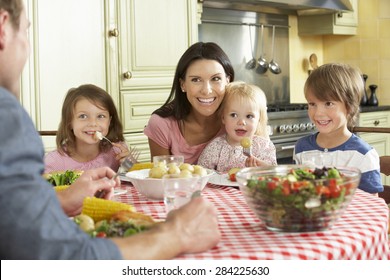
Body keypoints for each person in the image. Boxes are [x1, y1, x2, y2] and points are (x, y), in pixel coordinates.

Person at [0, 0, 220, 259]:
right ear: (3, 28)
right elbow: (59, 257)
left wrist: (59, 201)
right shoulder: (7, 117)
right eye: (25, 31)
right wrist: (177, 233)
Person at [294, 63, 383, 194]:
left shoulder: (363, 154)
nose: (318, 113)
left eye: (328, 103)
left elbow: (372, 202)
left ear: (350, 106)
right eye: (312, 104)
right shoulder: (302, 147)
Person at [144, 42, 235, 164]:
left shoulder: (242, 117)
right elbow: (160, 178)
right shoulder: (162, 124)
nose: (206, 90)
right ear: (183, 84)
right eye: (196, 80)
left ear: (227, 81)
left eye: (216, 79)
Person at [44, 84, 129, 173]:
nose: (93, 123)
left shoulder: (116, 152)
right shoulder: (54, 162)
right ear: (69, 122)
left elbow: (137, 177)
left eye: (100, 116)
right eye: (83, 116)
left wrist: (129, 164)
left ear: (109, 121)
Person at [198, 81, 277, 172]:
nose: (241, 122)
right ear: (223, 118)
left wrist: (262, 167)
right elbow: (201, 172)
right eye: (234, 115)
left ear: (258, 120)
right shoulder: (215, 147)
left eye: (249, 116)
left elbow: (274, 173)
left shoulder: (264, 146)